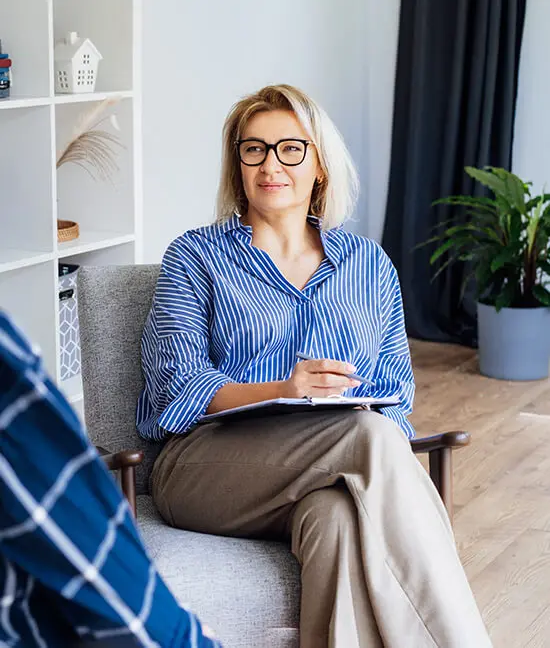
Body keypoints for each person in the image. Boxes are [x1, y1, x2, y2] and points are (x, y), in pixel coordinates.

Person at [137, 84, 492, 648]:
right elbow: (175, 388)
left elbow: (396, 392)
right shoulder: (195, 255)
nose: (270, 164)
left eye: (290, 149)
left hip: (329, 465)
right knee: (371, 438)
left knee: (337, 519)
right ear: (238, 163)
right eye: (252, 149)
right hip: (206, 467)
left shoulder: (368, 264)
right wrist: (285, 388)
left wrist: (343, 405)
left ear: (320, 164)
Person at [0, 311, 221, 648]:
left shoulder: (334, 268)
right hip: (211, 446)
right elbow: (182, 388)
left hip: (316, 449)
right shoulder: (194, 260)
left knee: (330, 511)